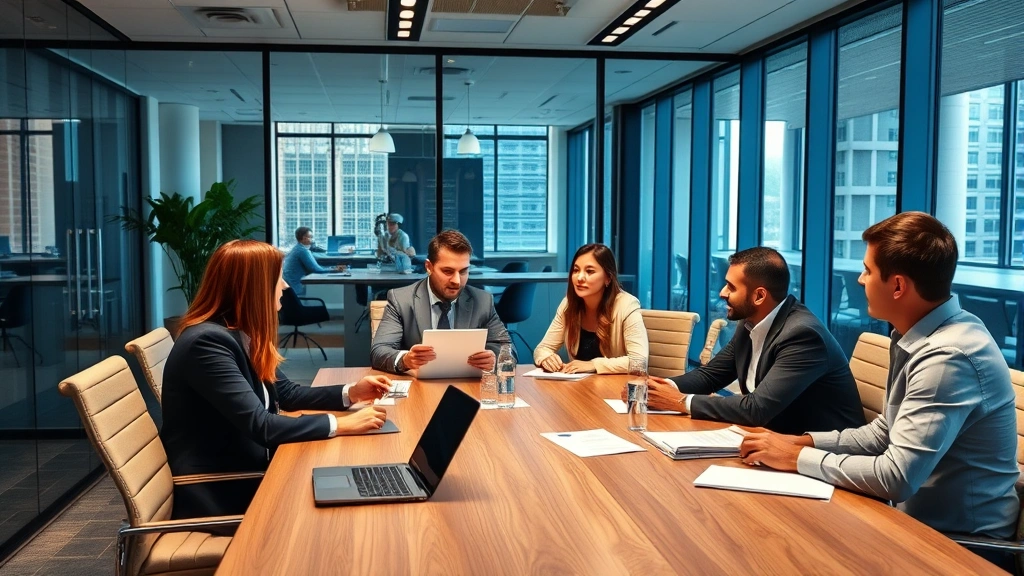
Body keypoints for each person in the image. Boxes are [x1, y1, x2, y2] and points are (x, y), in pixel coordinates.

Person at [740, 212, 1019, 544]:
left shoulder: (947, 357)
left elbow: (896, 477)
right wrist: (805, 442)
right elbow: (887, 430)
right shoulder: (923, 333)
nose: (860, 279)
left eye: (868, 271)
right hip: (910, 522)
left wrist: (796, 458)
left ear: (898, 285)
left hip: (960, 546)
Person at [161, 240, 390, 519]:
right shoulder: (207, 343)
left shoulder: (239, 334)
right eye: (278, 278)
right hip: (223, 487)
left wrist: (351, 393)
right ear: (255, 287)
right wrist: (339, 424)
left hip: (252, 465)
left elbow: (287, 393)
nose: (285, 286)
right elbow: (262, 426)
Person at [630, 247, 865, 434]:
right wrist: (660, 388)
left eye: (731, 287)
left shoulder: (803, 335)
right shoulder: (751, 321)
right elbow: (710, 375)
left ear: (759, 295)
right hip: (774, 440)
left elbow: (757, 409)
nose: (722, 292)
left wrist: (680, 401)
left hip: (820, 458)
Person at [370, 229, 511, 374]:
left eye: (463, 271)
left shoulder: (483, 301)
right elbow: (379, 351)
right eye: (448, 271)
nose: (457, 281)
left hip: (467, 389)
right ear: (429, 267)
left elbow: (507, 348)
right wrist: (405, 360)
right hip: (419, 389)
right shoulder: (401, 300)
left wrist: (494, 358)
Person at [534, 244, 649, 374]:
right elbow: (543, 348)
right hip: (578, 387)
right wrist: (546, 357)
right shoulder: (569, 305)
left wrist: (593, 364)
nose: (580, 278)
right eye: (576, 270)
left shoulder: (627, 306)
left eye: (589, 271)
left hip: (615, 389)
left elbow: (640, 361)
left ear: (608, 278)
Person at [283, 226, 344, 297]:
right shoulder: (303, 251)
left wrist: (333, 268)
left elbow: (315, 267)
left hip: (291, 288)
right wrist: (335, 270)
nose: (312, 240)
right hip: (297, 289)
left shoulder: (297, 248)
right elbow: (316, 269)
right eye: (311, 237)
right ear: (304, 238)